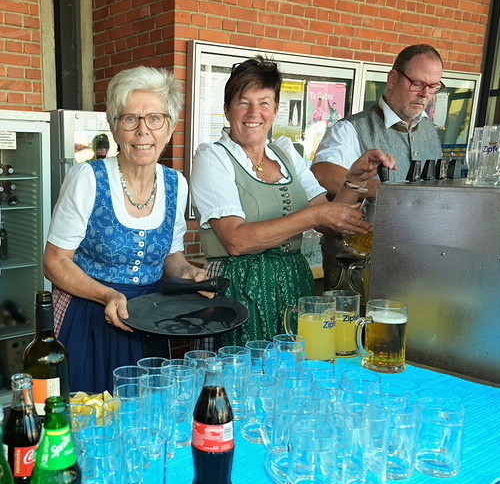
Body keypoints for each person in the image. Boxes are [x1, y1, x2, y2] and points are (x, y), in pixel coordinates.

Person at [190, 57, 393, 346]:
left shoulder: (285, 152)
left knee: (293, 368)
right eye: (243, 102)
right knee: (242, 369)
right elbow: (236, 241)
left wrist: (354, 179)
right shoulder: (212, 157)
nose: (254, 112)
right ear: (226, 109)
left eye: (264, 103)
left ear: (275, 110)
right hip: (237, 288)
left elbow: (328, 220)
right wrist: (314, 217)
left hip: (293, 283)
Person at [44, 66, 206, 394]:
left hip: (150, 322)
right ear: (114, 128)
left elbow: (171, 256)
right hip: (88, 320)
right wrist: (106, 294)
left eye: (155, 119)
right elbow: (54, 261)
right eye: (130, 118)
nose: (142, 130)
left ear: (170, 127)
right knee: (89, 411)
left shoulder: (176, 184)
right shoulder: (87, 178)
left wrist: (188, 272)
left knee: (146, 411)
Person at [311, 44, 445, 294]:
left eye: (433, 86)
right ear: (393, 79)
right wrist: (387, 192)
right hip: (354, 268)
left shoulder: (430, 131)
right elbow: (322, 172)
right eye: (417, 84)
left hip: (413, 266)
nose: (425, 94)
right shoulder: (351, 128)